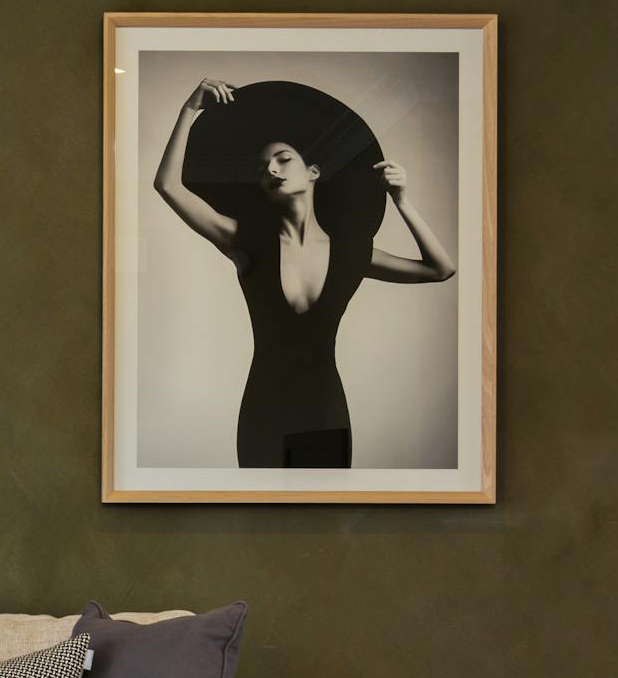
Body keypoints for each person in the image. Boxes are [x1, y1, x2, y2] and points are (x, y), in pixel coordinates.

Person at [153, 78, 456, 468]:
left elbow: (440, 269)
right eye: (263, 168)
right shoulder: (244, 241)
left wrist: (402, 201)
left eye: (283, 159)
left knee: (323, 519)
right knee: (263, 523)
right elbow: (167, 185)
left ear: (314, 171)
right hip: (264, 410)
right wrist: (190, 108)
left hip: (325, 410)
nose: (273, 169)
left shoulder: (350, 253)